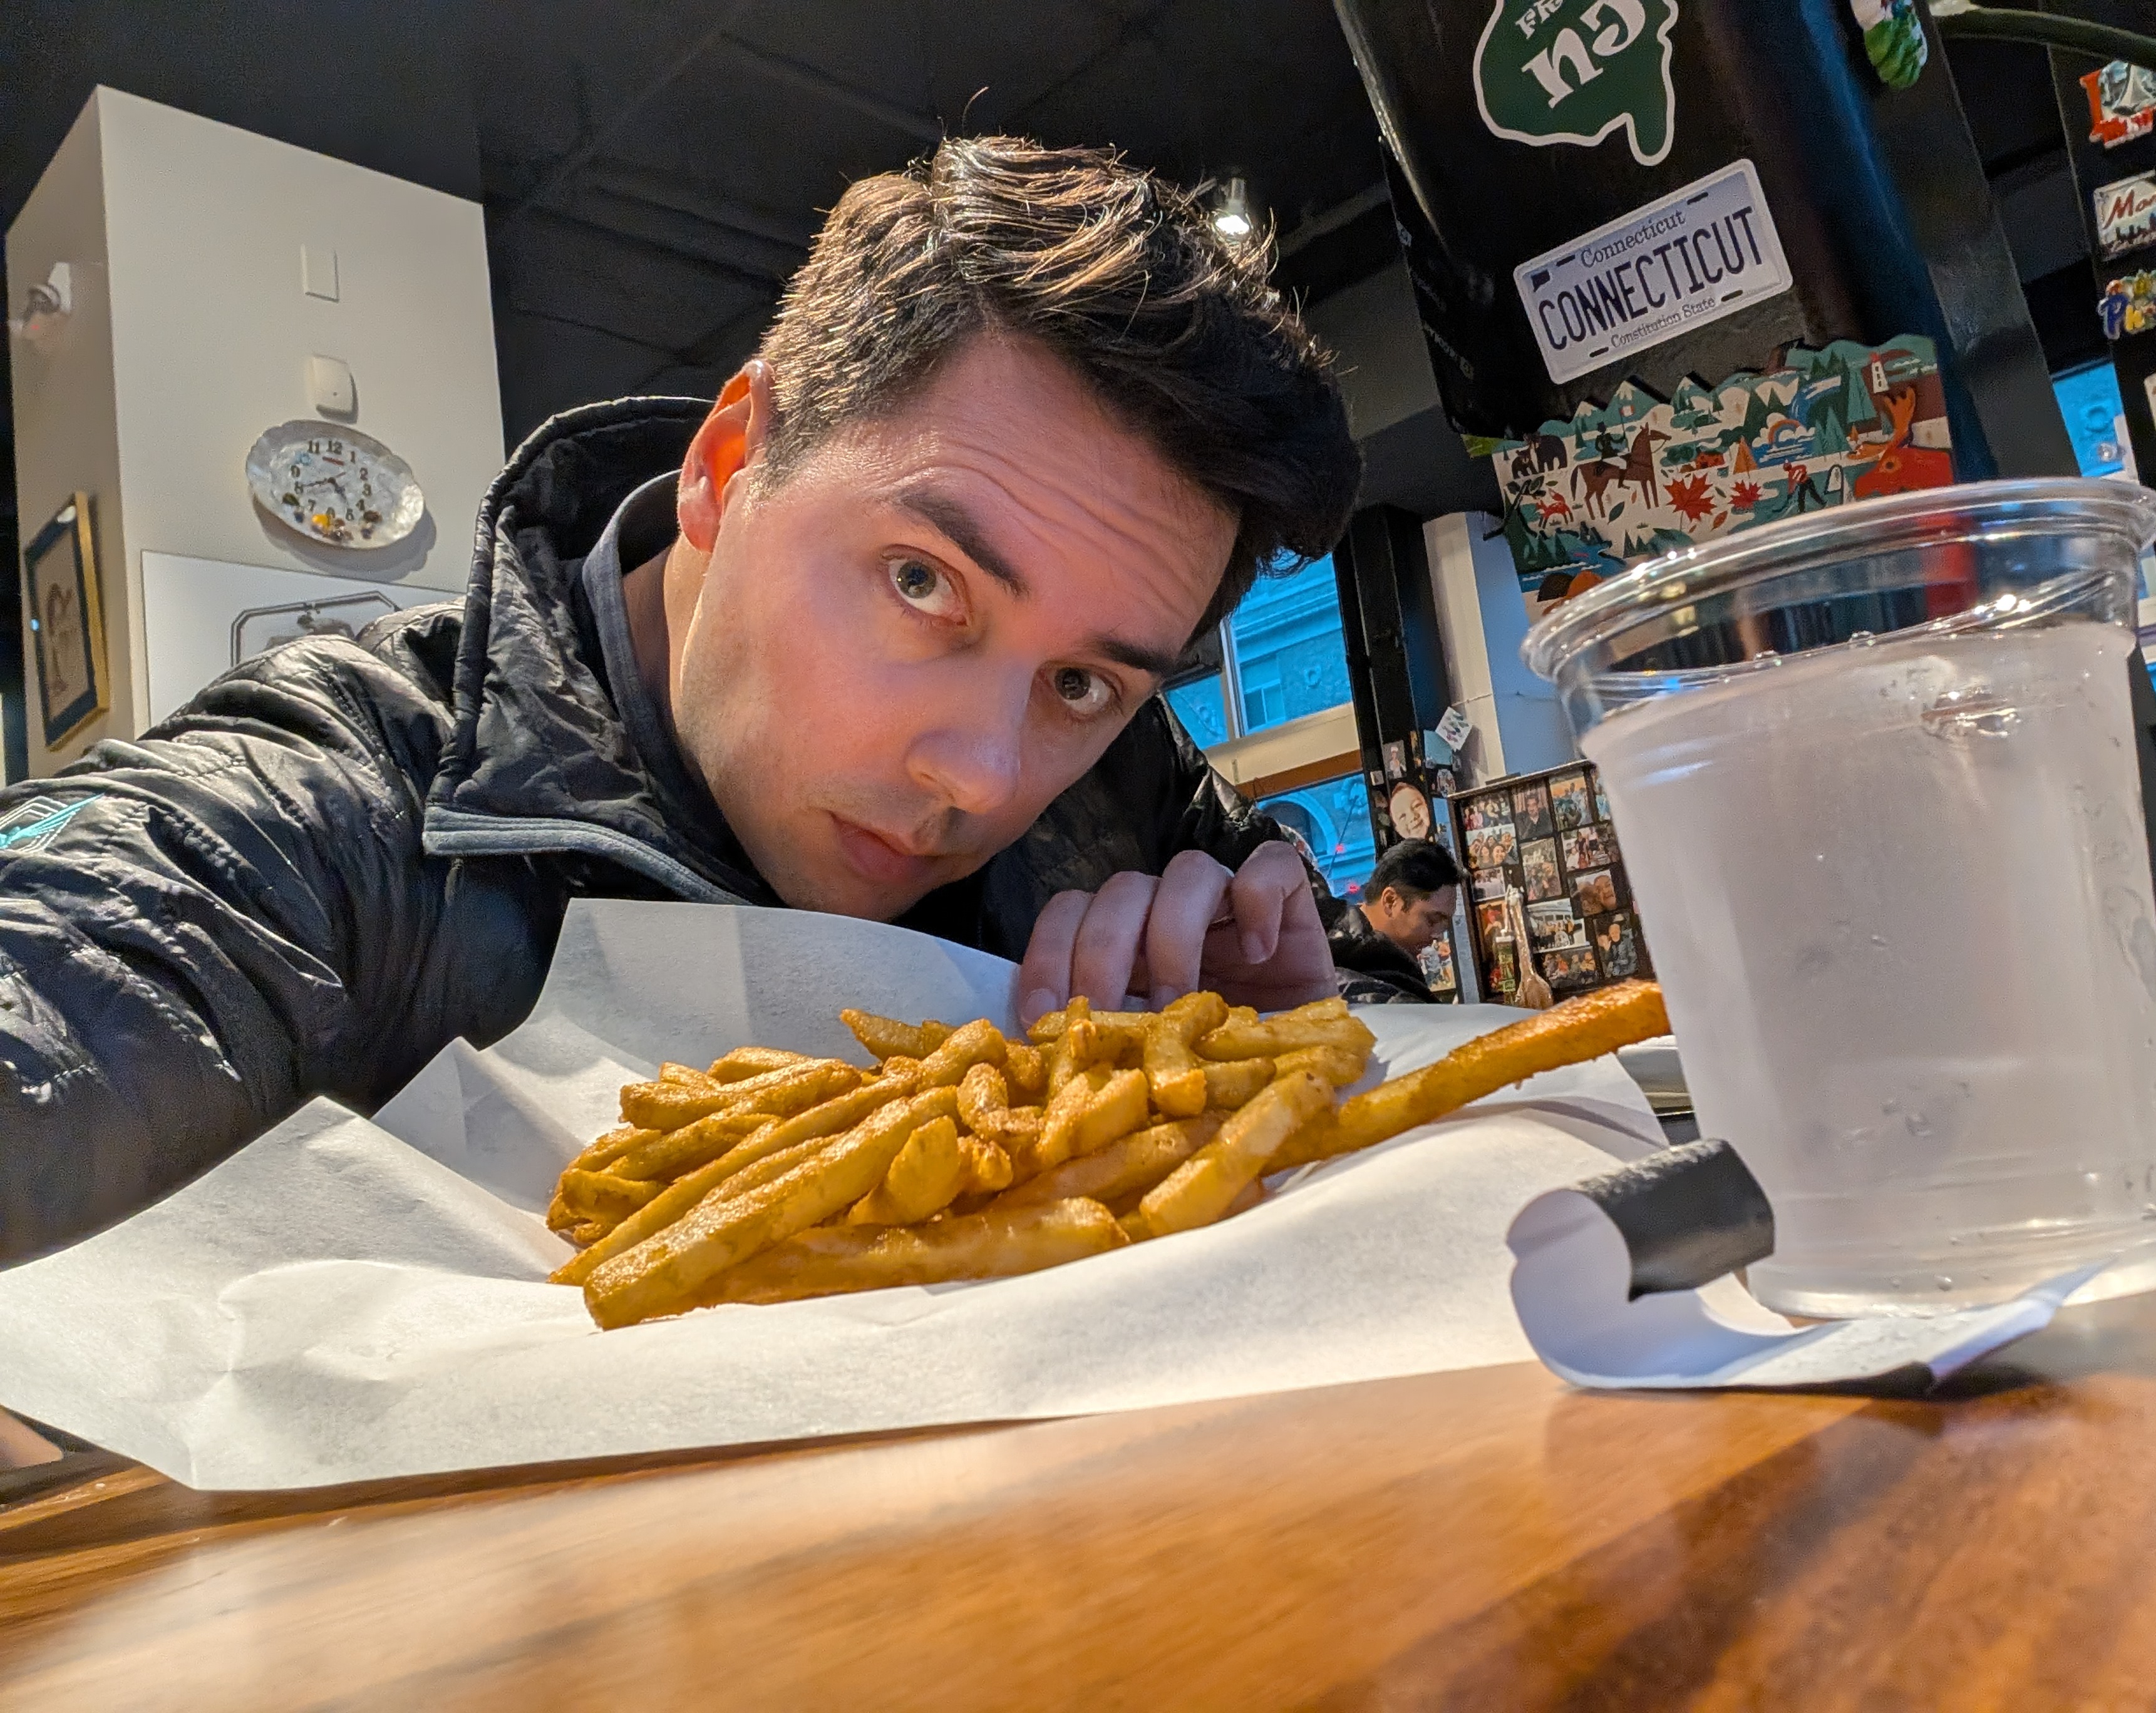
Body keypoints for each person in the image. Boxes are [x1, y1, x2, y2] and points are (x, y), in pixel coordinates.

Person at [0, 136, 1371, 1263]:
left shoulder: (1124, 783)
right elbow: (86, 952)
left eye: (1080, 681)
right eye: (922, 582)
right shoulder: (351, 796)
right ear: (725, 465)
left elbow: (1382, 1010)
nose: (983, 774)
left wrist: (1296, 1052)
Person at [1326, 839, 1553, 1008]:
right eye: (1432, 920)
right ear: (1391, 901)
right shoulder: (1342, 962)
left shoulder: (1379, 959)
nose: (1437, 936)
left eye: (1444, 925)